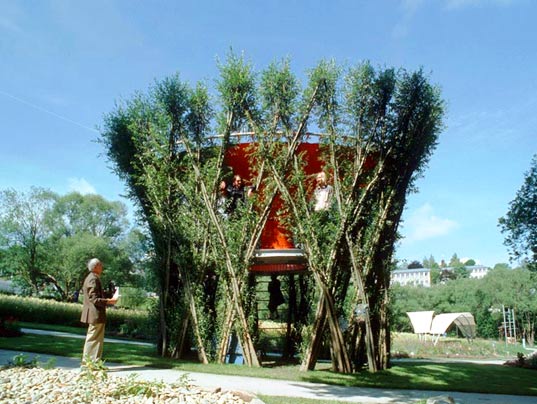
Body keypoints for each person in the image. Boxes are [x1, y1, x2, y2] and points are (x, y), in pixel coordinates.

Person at [80, 258, 117, 363]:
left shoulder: (92, 277)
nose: (102, 266)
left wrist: (109, 295)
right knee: (94, 339)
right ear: (95, 267)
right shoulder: (93, 279)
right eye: (100, 264)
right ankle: (90, 363)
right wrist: (109, 301)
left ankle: (92, 362)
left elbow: (96, 295)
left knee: (94, 339)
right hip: (95, 314)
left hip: (95, 314)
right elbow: (94, 299)